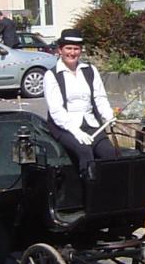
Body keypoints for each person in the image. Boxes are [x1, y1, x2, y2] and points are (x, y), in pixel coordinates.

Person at [42, 28, 117, 172]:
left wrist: (108, 115)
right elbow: (56, 110)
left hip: (91, 123)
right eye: (68, 48)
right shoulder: (51, 76)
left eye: (76, 49)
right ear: (60, 50)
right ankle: (89, 191)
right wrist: (76, 132)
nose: (72, 52)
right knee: (85, 151)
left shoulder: (90, 70)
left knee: (109, 153)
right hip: (64, 127)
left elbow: (99, 97)